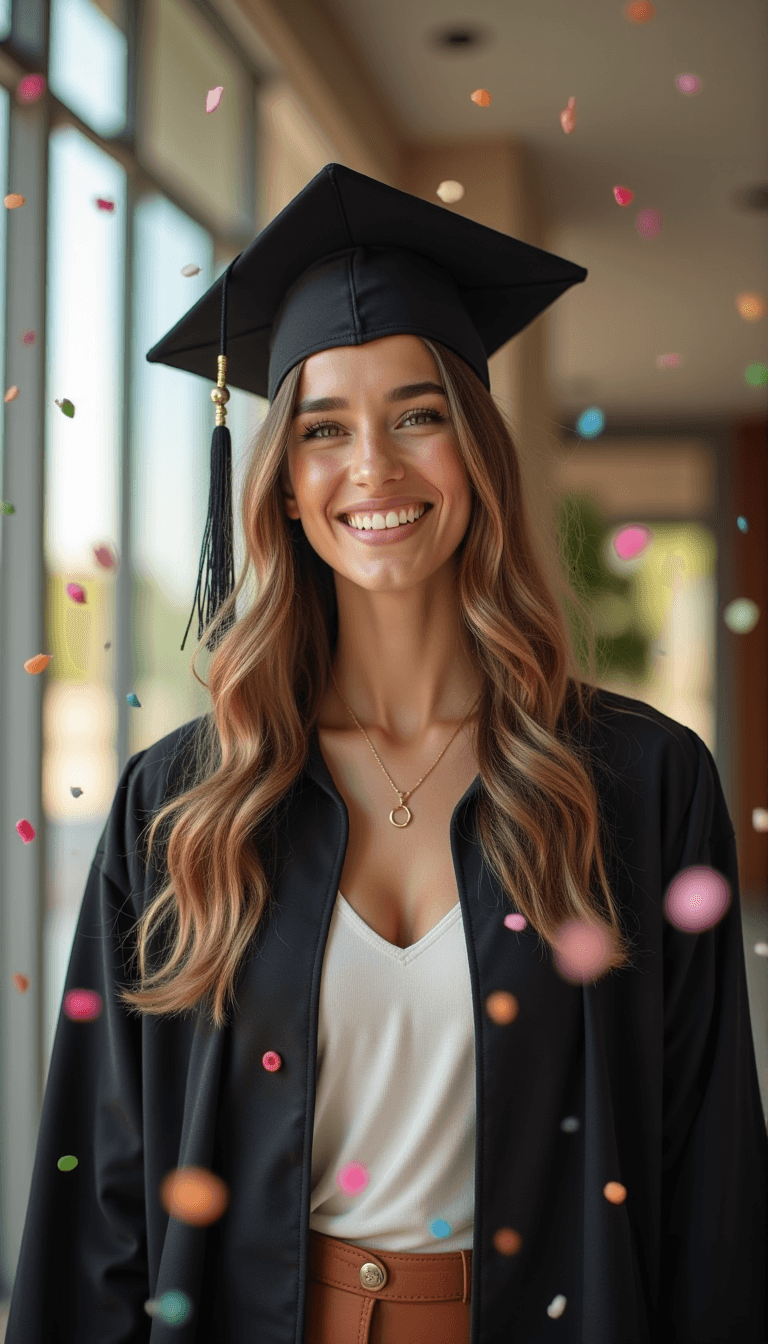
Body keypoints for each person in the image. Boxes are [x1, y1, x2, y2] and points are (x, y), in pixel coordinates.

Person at [6, 163, 767, 1344]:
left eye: (418, 414)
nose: (374, 465)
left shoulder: (640, 785)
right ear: (284, 487)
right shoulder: (186, 805)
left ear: (476, 452)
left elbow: (709, 1182)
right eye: (322, 429)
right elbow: (100, 1194)